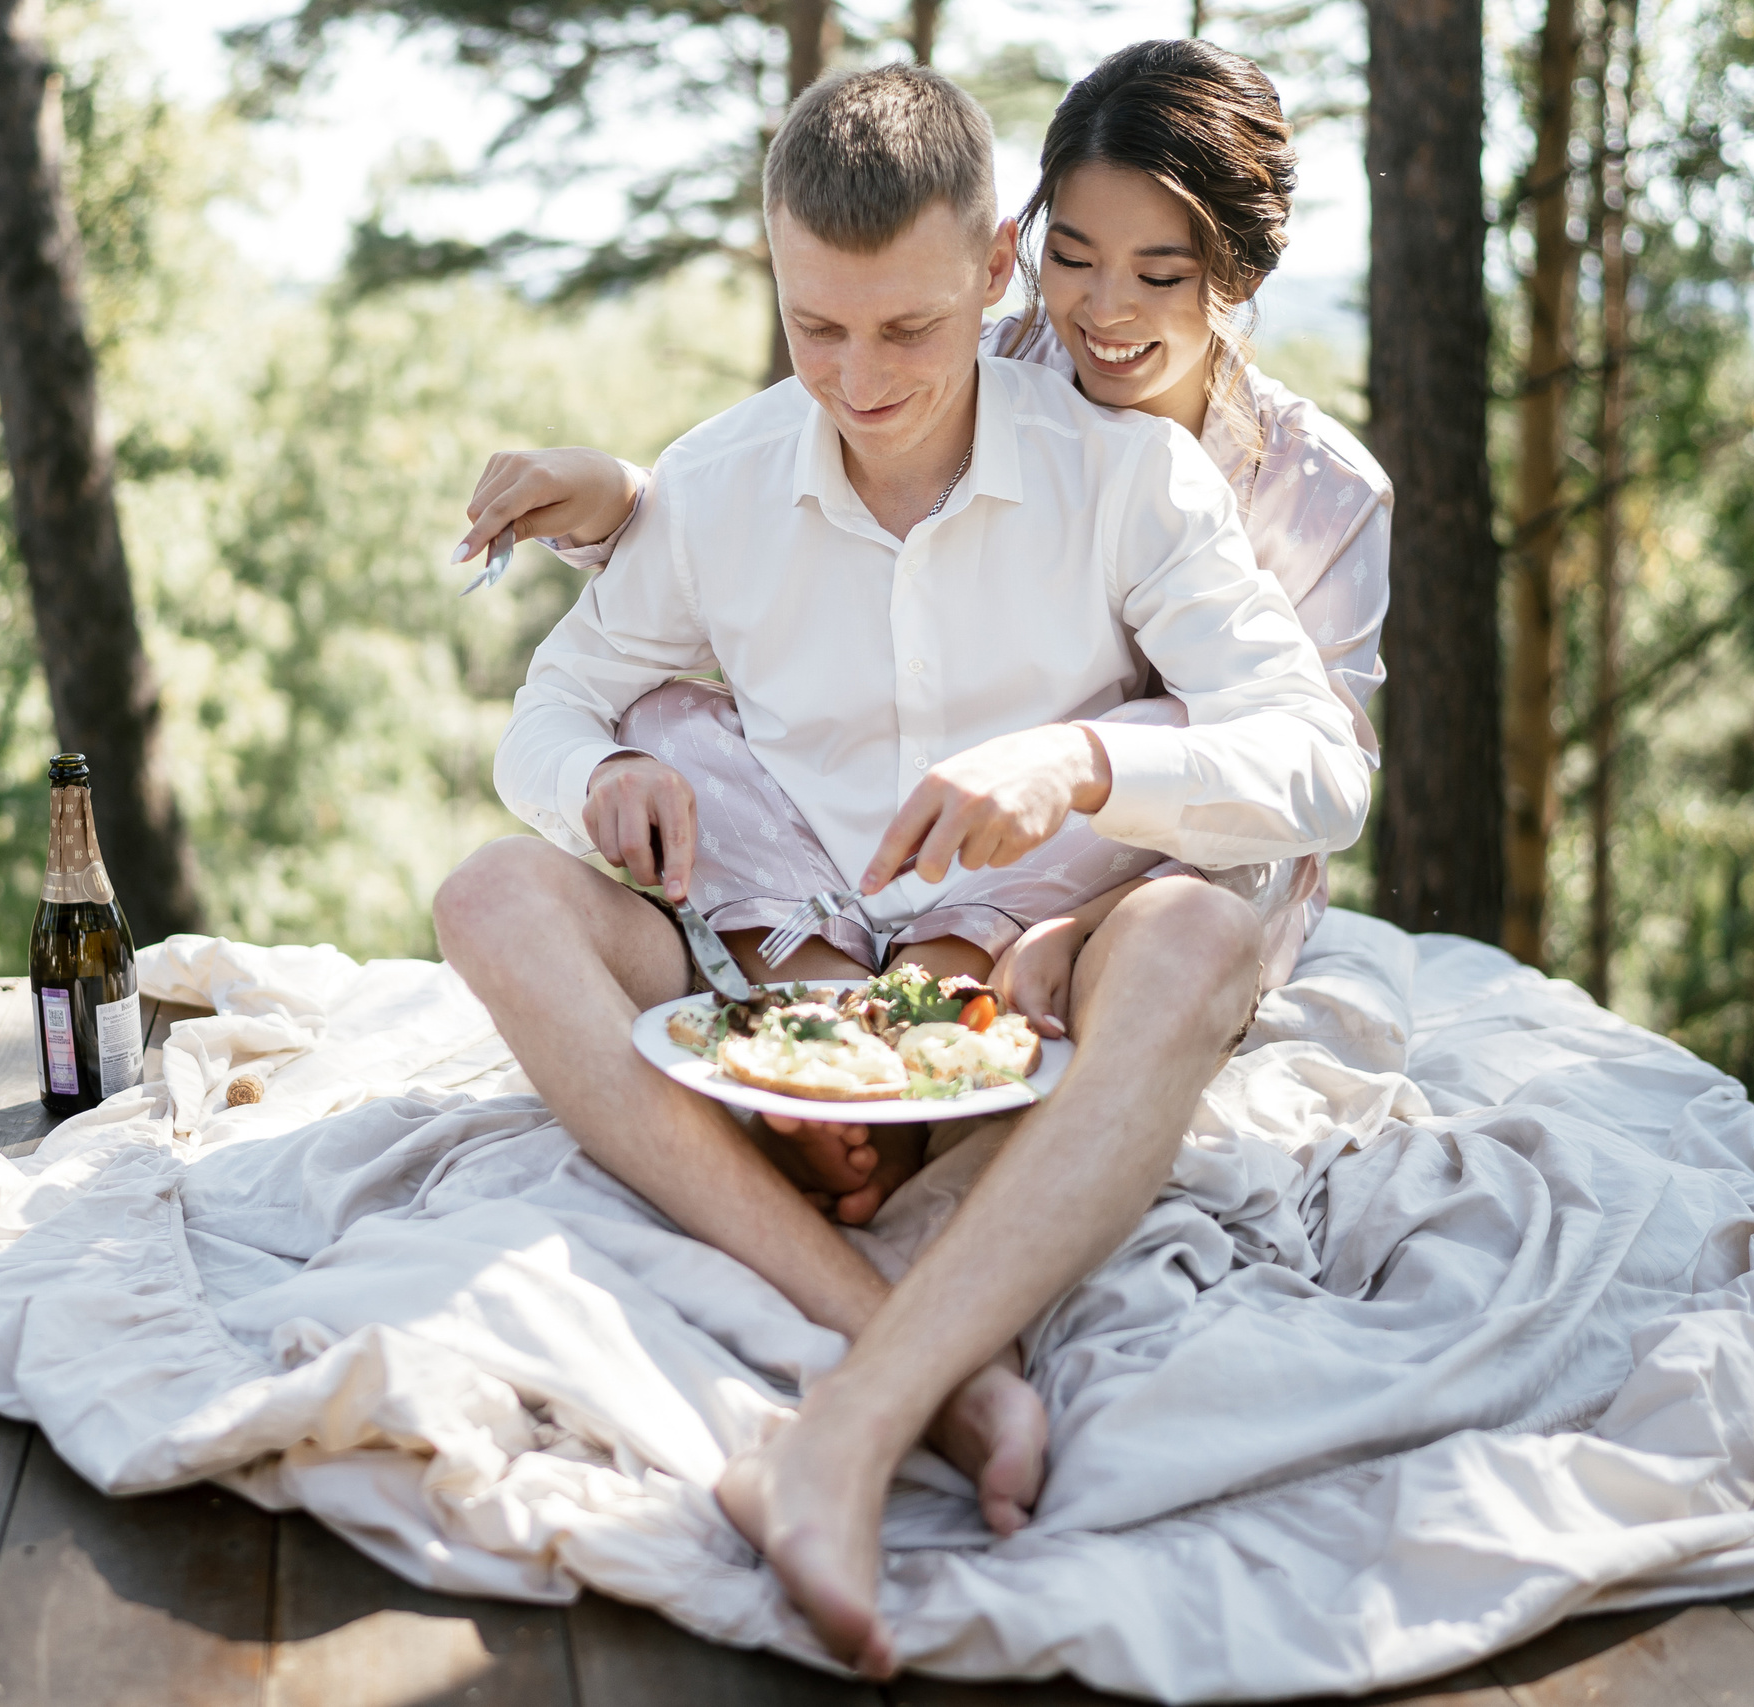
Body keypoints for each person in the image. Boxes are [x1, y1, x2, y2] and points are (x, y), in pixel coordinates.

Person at [431, 63, 1366, 1678]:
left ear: (988, 277)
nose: (859, 382)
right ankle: (934, 1364)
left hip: (1019, 972)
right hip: (771, 954)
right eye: (816, 329)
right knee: (484, 898)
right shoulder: (720, 482)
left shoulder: (1133, 477)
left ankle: (847, 1426)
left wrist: (1082, 762)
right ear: (777, 281)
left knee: (1198, 946)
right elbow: (555, 707)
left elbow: (1324, 762)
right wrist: (602, 778)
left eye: (909, 332)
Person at [459, 44, 1391, 1218]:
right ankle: (822, 1033)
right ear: (1028, 259)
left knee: (1151, 736)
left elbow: (1313, 773)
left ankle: (929, 1035)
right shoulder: (842, 415)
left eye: (1157, 274)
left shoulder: (1186, 475)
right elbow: (739, 528)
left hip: (1134, 857)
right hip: (801, 886)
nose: (859, 382)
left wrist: (1082, 789)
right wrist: (603, 736)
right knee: (655, 721)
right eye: (1077, 259)